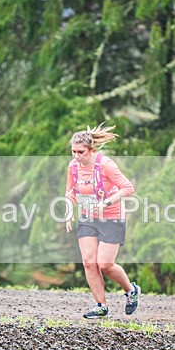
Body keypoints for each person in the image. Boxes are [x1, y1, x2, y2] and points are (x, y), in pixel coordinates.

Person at [65, 124, 141, 319]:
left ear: (91, 150)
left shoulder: (106, 164)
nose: (76, 156)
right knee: (89, 262)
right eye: (73, 151)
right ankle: (101, 306)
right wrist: (68, 210)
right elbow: (71, 191)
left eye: (80, 152)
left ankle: (131, 290)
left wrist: (105, 203)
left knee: (105, 264)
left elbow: (127, 188)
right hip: (87, 217)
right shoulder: (73, 166)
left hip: (112, 216)